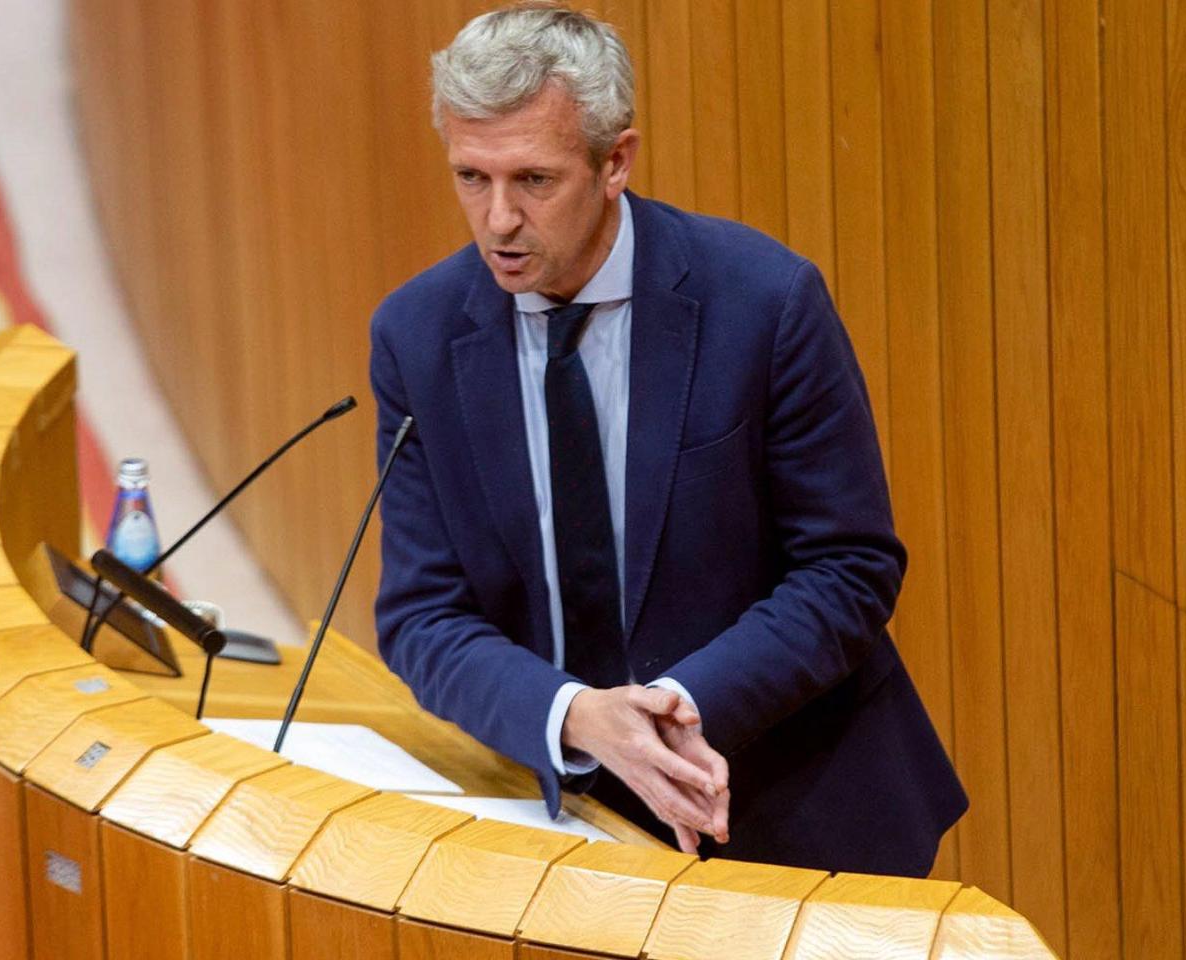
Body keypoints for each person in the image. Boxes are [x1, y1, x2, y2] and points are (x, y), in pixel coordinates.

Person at [368, 2, 965, 875]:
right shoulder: (417, 335)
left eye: (533, 180)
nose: (497, 221)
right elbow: (422, 616)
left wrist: (672, 708)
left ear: (616, 162)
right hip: (563, 824)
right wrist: (577, 716)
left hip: (794, 807)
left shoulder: (764, 303)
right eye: (471, 178)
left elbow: (849, 569)